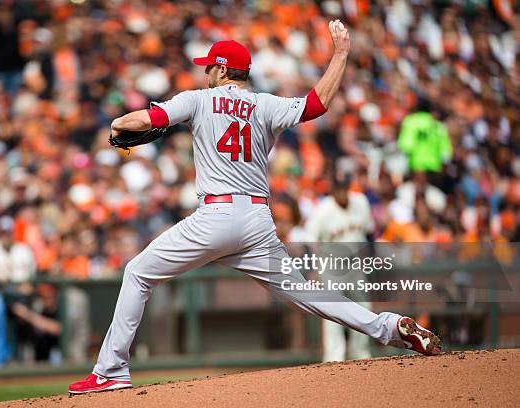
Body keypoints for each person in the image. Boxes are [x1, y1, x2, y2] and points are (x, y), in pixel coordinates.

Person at [69, 20, 441, 395]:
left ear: (223, 69)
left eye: (210, 66)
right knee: (309, 295)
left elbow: (147, 119)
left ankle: (111, 370)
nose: (205, 71)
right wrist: (341, 53)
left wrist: (116, 125)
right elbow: (317, 104)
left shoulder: (198, 98)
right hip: (257, 222)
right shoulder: (265, 104)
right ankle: (389, 327)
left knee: (137, 273)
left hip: (216, 217)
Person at [304, 175, 374, 362]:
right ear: (333, 190)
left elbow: (368, 233)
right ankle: (334, 358)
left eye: (345, 188)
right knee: (332, 311)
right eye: (339, 189)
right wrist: (314, 267)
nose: (343, 192)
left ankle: (361, 354)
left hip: (355, 263)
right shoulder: (323, 210)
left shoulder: (361, 202)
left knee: (364, 307)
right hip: (331, 265)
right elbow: (309, 239)